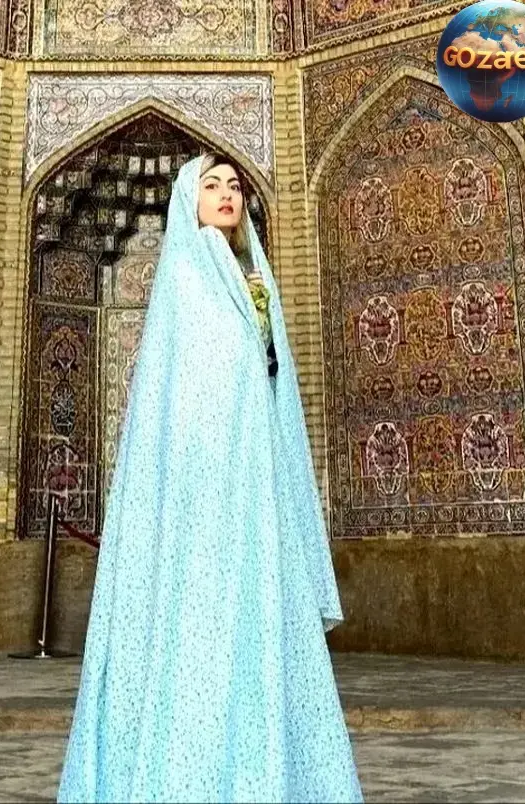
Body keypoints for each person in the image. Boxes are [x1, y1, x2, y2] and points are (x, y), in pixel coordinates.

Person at [56, 153, 363, 803]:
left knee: (258, 626)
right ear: (188, 202)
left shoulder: (255, 275)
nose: (226, 194)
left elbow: (269, 378)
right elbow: (186, 393)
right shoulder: (188, 278)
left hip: (256, 484)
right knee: (200, 631)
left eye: (234, 186)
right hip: (204, 493)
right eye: (210, 185)